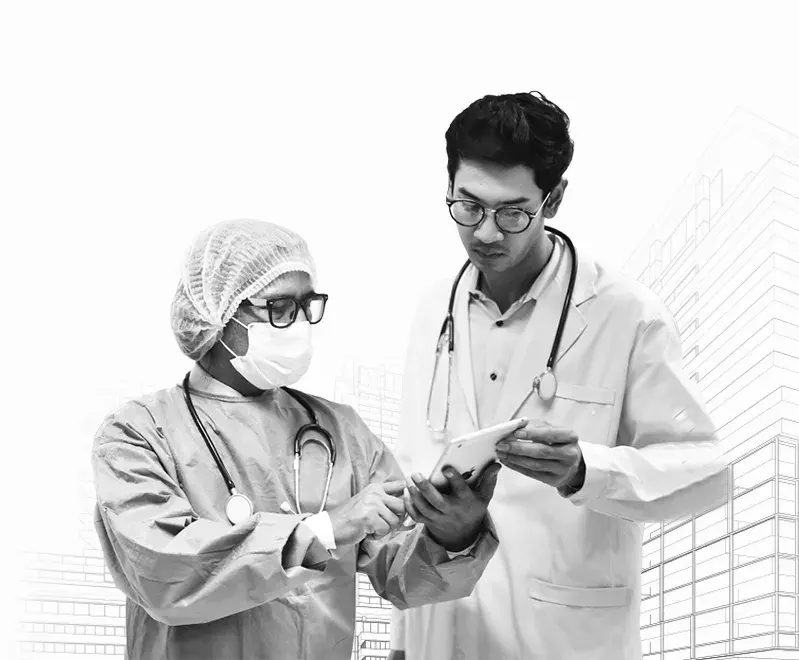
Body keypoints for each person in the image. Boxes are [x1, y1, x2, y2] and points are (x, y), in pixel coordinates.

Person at [388, 93, 729, 660]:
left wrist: (585, 470)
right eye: (468, 206)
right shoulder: (433, 309)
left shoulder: (626, 314)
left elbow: (704, 470)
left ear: (555, 197)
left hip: (559, 637)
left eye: (512, 212)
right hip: (440, 628)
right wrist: (403, 638)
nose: (486, 233)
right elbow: (412, 466)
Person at [91, 219, 501, 660]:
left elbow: (404, 575)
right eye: (281, 307)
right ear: (218, 312)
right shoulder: (136, 434)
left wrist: (454, 533)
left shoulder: (341, 431)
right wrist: (325, 529)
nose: (301, 323)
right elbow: (165, 575)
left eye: (308, 305)